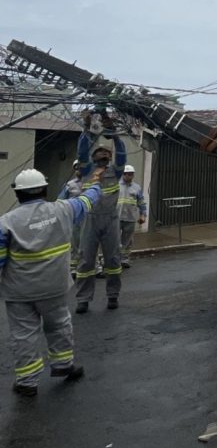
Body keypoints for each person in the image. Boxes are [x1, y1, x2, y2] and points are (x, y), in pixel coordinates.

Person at [0, 167, 102, 396]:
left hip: (19, 293)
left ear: (18, 194)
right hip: (54, 288)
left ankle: (27, 382)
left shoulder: (5, 223)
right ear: (44, 189)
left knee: (23, 335)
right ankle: (63, 366)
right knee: (59, 326)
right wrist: (95, 181)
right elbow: (88, 200)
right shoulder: (64, 210)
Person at [75, 110, 126, 313]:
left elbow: (122, 152)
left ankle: (113, 295)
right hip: (90, 219)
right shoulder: (87, 171)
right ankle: (83, 299)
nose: (104, 154)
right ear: (94, 158)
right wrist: (87, 129)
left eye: (107, 153)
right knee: (86, 260)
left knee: (113, 259)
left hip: (111, 219)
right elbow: (81, 151)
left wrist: (113, 133)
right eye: (100, 153)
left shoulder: (117, 171)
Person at [117, 165, 147, 268]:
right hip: (117, 217)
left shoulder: (136, 187)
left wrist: (143, 215)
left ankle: (124, 259)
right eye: (127, 174)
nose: (129, 176)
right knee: (114, 240)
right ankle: (113, 259)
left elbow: (141, 202)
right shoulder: (116, 185)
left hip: (130, 218)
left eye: (131, 174)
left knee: (127, 240)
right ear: (123, 174)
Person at [59, 160, 84, 272]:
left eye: (81, 167)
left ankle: (94, 266)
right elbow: (60, 201)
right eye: (77, 167)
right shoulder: (70, 185)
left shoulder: (92, 183)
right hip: (74, 219)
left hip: (90, 218)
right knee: (74, 244)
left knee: (91, 244)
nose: (79, 170)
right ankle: (73, 267)